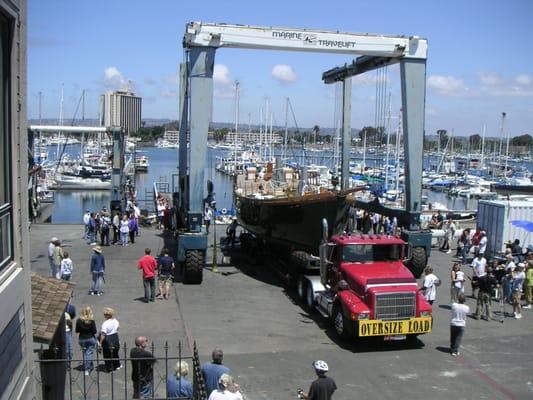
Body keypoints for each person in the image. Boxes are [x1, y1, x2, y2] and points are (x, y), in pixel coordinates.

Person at [75, 306, 97, 375]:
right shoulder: (92, 321)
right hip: (90, 338)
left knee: (85, 353)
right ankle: (87, 369)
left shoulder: (79, 320)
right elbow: (94, 331)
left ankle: (88, 364)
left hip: (82, 339)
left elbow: (77, 330)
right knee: (89, 353)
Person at [99, 307, 121, 372]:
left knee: (107, 354)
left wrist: (100, 343)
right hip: (115, 337)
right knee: (115, 352)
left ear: (107, 315)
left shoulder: (105, 323)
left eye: (105, 314)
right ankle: (117, 365)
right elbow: (118, 328)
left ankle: (109, 368)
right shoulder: (116, 321)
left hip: (108, 338)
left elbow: (103, 334)